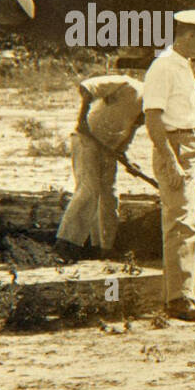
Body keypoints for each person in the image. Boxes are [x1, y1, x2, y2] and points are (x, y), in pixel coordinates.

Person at [141, 10, 195, 322]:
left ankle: (190, 291)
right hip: (176, 147)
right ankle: (177, 298)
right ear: (188, 36)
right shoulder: (163, 67)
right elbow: (153, 119)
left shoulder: (184, 66)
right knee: (180, 223)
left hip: (192, 147)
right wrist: (170, 161)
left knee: (194, 223)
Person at [55, 74, 144, 259]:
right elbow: (87, 87)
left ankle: (104, 247)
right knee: (89, 190)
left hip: (107, 149)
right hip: (86, 139)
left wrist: (126, 159)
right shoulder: (129, 86)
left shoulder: (151, 108)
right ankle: (65, 243)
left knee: (109, 195)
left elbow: (130, 130)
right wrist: (82, 120)